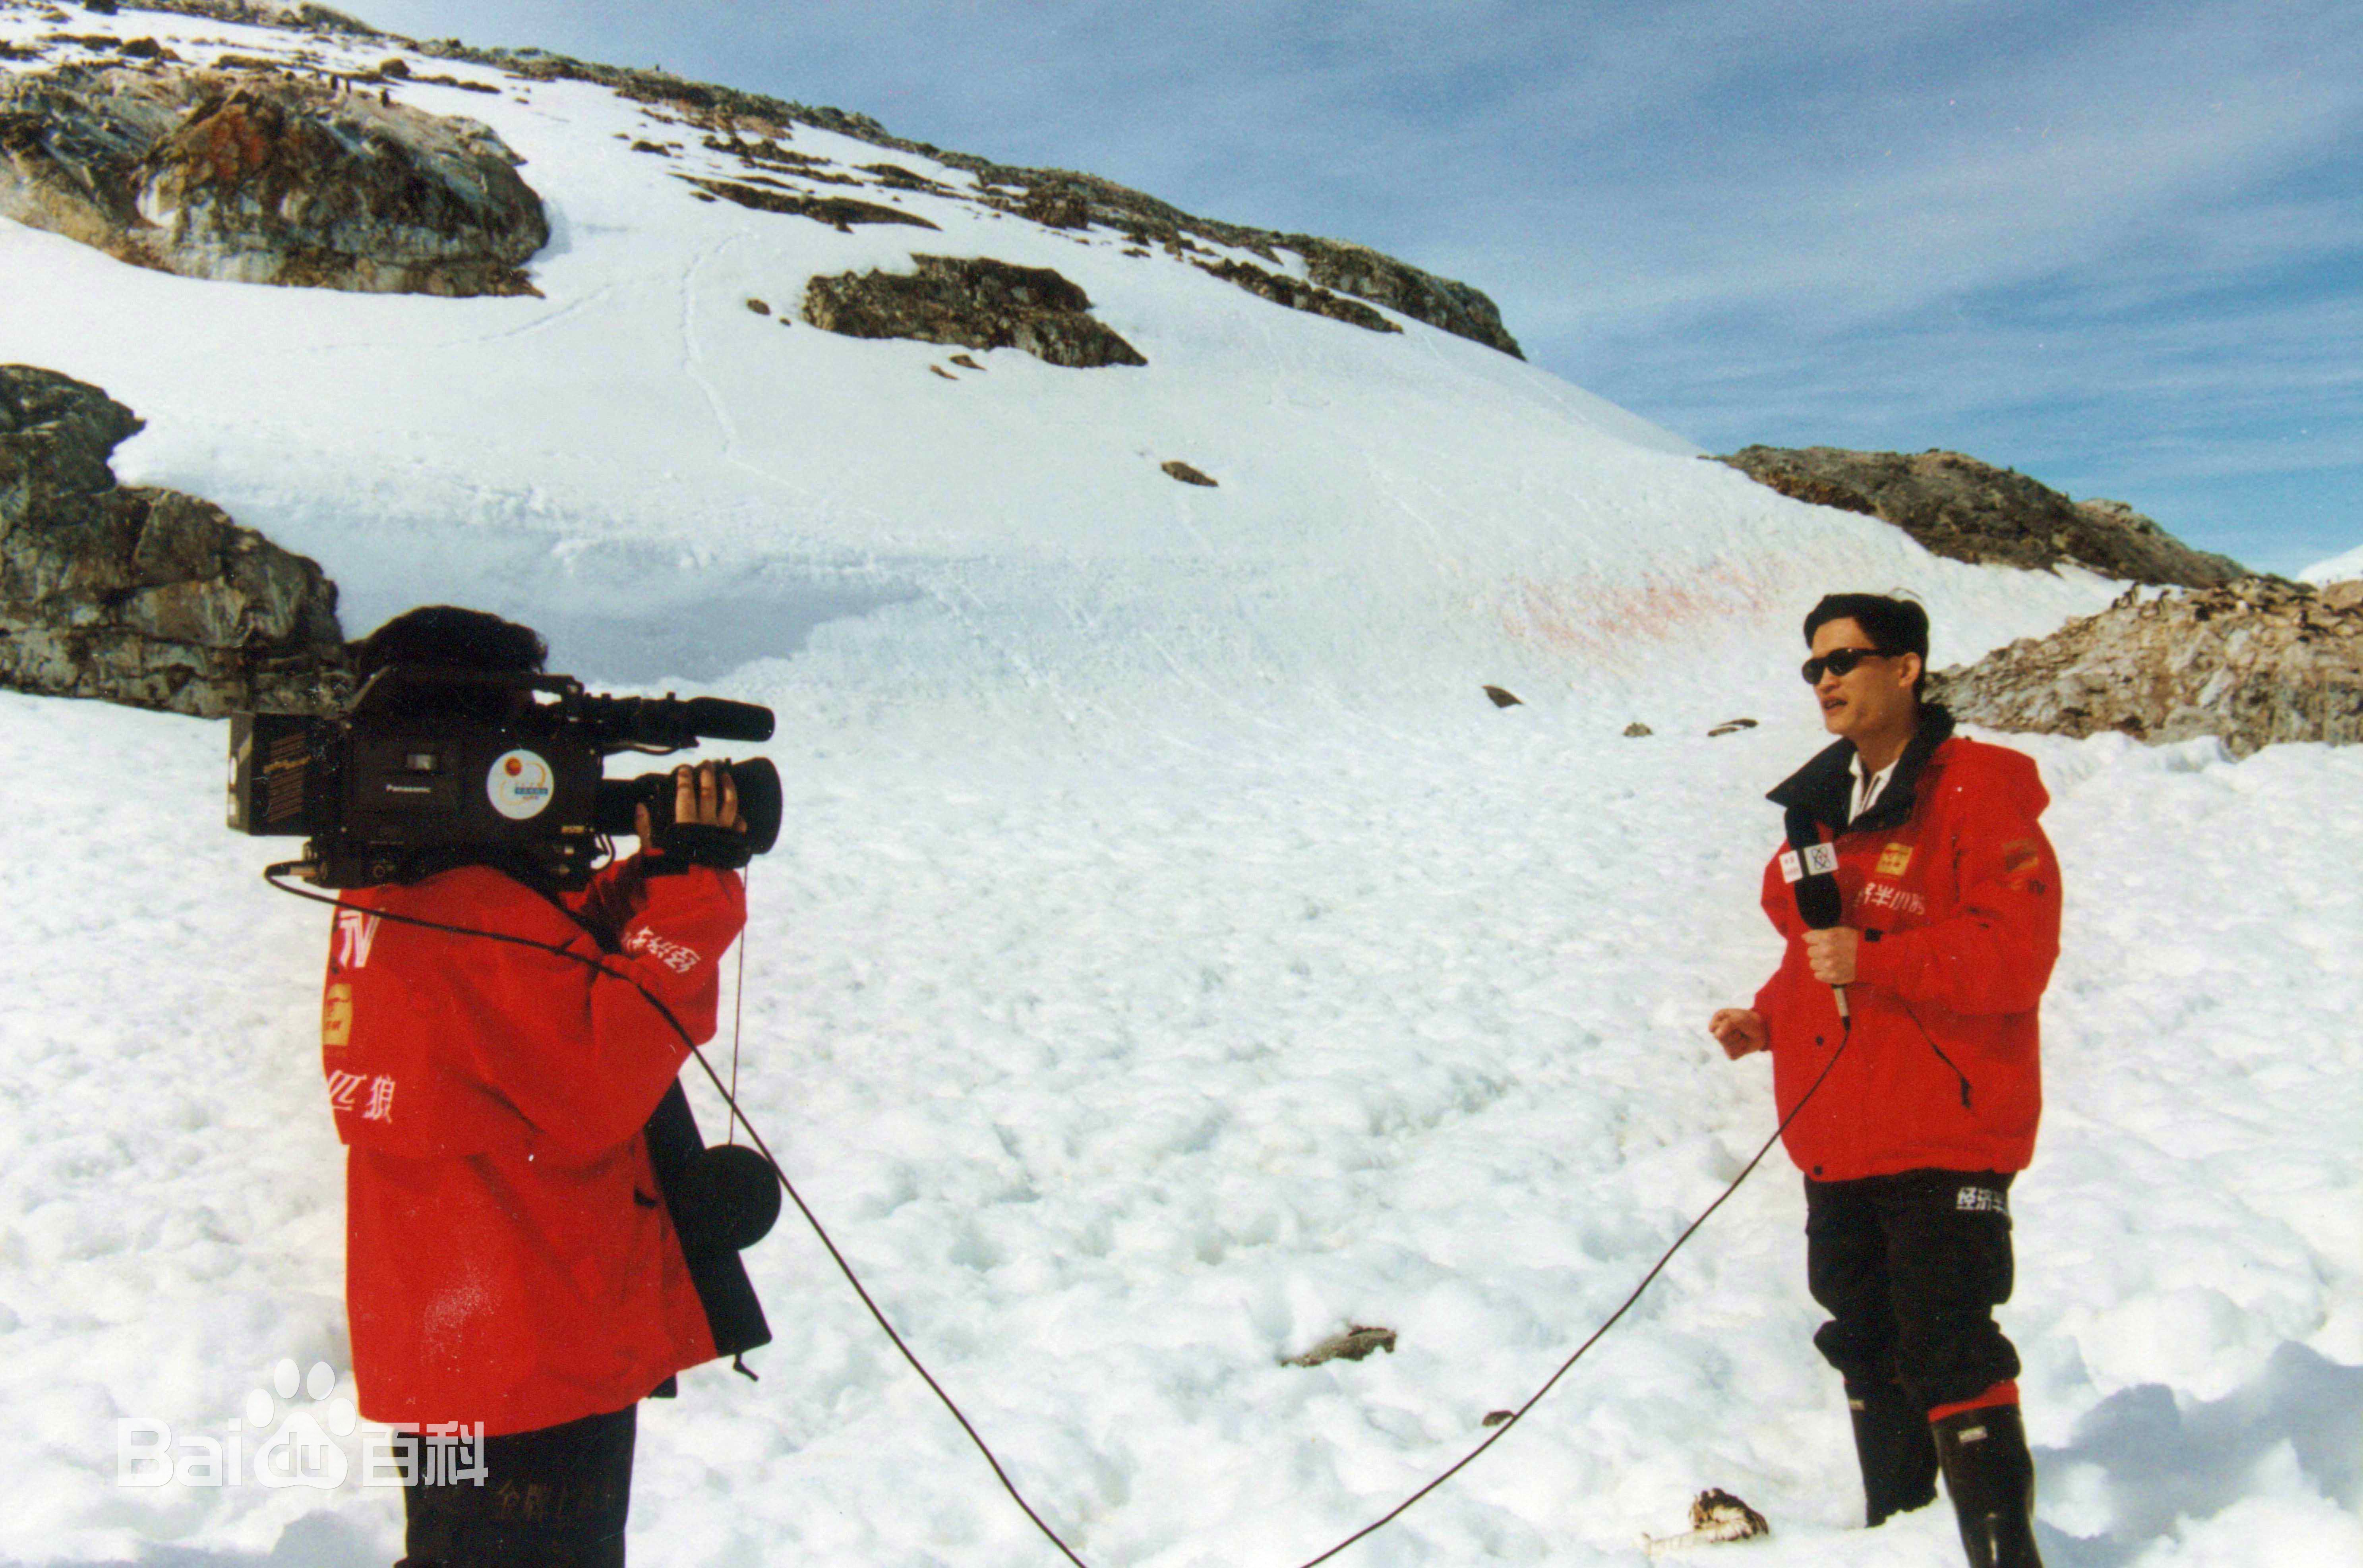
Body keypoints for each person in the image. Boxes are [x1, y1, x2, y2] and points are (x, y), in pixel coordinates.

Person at [318, 607, 769, 1568]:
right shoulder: (474, 909)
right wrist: (696, 889)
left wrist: (655, 868)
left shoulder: (401, 880)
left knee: (452, 1549)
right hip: (528, 1333)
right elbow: (603, 1073)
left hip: (444, 1325)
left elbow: (545, 987)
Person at [1709, 593, 2059, 1568]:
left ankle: (2004, 1556)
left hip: (1945, 1119)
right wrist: (1767, 1018)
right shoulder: (1822, 807)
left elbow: (2012, 955)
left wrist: (1874, 961)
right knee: (1863, 1333)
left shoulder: (1979, 792)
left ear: (1905, 669)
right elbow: (1812, 950)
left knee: (1947, 1333)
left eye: (1845, 659)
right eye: (1812, 665)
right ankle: (1895, 1543)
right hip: (1839, 1126)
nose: (1824, 679)